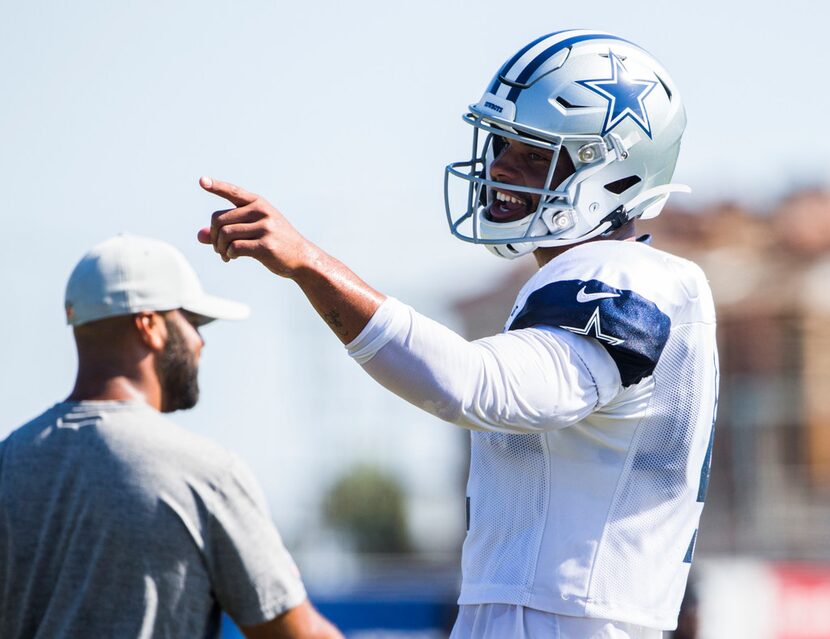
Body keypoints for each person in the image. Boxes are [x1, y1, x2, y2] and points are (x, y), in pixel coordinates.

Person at [198, 29, 718, 639]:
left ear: (613, 171)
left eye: (532, 154)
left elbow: (476, 385)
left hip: (569, 619)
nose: (500, 168)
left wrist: (310, 264)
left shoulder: (626, 275)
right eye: (501, 145)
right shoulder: (600, 276)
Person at [0, 235, 342, 639]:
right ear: (149, 325)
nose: (201, 342)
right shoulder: (206, 473)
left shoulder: (9, 460)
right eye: (193, 322)